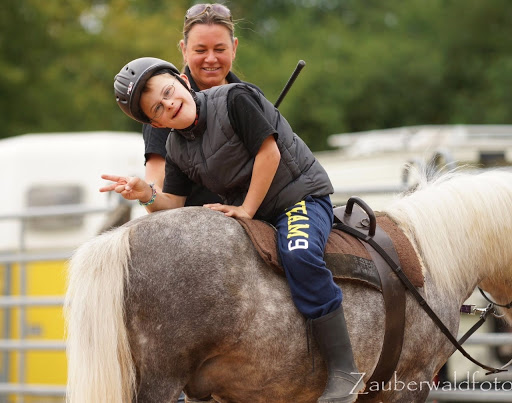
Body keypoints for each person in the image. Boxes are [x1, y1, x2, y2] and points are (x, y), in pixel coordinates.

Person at [106, 56, 364, 403]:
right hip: (256, 214)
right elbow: (174, 204)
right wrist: (146, 194)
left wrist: (245, 209)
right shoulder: (175, 147)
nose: (170, 104)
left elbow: (268, 153)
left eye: (169, 91)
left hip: (298, 198)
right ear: (155, 121)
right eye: (159, 107)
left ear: (183, 80)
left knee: (299, 253)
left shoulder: (234, 98)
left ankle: (346, 372)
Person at [143, 3, 262, 206]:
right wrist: (145, 195)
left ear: (234, 48)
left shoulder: (251, 96)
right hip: (196, 229)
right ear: (184, 50)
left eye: (219, 49)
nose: (211, 58)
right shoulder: (167, 111)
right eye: (200, 50)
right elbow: (159, 190)